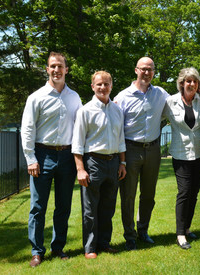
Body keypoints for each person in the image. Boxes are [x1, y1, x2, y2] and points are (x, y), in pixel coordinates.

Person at [21, 52, 82, 267]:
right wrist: (31, 158)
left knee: (63, 205)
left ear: (66, 69)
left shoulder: (74, 97)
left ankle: (58, 247)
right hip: (42, 154)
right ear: (47, 69)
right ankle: (37, 251)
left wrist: (78, 159)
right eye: (52, 66)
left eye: (60, 66)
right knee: (38, 206)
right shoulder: (36, 97)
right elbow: (27, 129)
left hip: (66, 156)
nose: (56, 70)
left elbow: (79, 129)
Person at [114, 57, 169, 250]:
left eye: (150, 69)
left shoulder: (161, 94)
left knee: (149, 194)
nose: (147, 73)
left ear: (154, 72)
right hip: (130, 150)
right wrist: (120, 159)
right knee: (128, 196)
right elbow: (116, 128)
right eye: (143, 69)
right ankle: (130, 236)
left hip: (153, 150)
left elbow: (179, 105)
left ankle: (143, 231)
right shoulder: (122, 97)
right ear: (136, 70)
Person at [72, 71, 127, 259]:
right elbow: (77, 143)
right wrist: (80, 169)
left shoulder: (117, 110)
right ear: (92, 87)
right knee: (90, 209)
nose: (103, 87)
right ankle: (90, 248)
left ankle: (104, 243)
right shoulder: (85, 111)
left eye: (106, 84)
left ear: (111, 86)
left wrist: (123, 163)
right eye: (99, 84)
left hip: (113, 163)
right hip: (93, 162)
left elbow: (121, 140)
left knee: (108, 207)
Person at [162, 68, 200, 249]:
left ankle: (188, 228)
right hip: (180, 154)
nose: (191, 84)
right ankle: (180, 234)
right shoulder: (170, 102)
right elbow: (154, 118)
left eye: (195, 81)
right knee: (184, 192)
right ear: (181, 83)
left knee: (194, 193)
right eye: (188, 81)